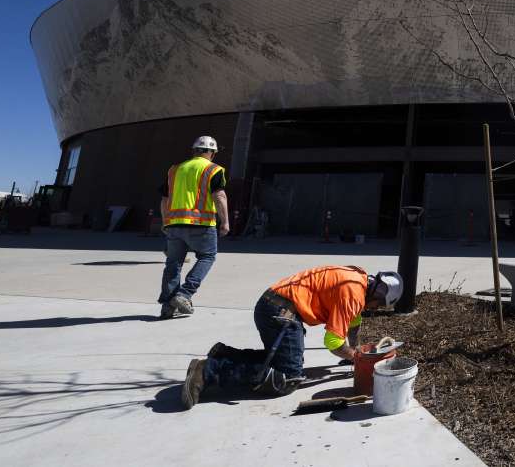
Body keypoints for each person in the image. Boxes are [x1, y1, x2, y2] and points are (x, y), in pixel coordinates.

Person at [180, 266, 403, 409]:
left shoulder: (357, 279)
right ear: (378, 296)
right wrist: (357, 357)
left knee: (281, 362)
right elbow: (333, 342)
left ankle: (225, 356)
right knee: (287, 378)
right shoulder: (352, 294)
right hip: (279, 312)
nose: (373, 310)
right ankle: (207, 371)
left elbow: (354, 322)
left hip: (275, 304)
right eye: (377, 307)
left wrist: (354, 349)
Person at [158, 136, 229, 319]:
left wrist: (166, 222)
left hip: (174, 224)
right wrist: (225, 222)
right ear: (211, 153)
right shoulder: (213, 169)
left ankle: (168, 305)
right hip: (201, 224)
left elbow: (165, 199)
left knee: (173, 263)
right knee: (207, 257)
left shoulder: (174, 170)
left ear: (194, 150)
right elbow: (219, 196)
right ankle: (184, 294)